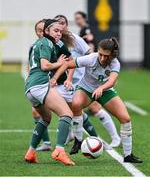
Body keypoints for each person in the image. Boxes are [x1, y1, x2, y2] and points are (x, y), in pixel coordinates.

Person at [50, 37, 143, 163]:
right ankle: (78, 140)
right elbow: (67, 64)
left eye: (106, 56)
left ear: (112, 55)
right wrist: (55, 78)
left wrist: (101, 88)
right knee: (76, 104)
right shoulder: (91, 58)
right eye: (101, 54)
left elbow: (111, 81)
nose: (103, 58)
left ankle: (128, 155)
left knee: (125, 118)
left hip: (105, 90)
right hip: (86, 88)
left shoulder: (115, 63)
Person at [54, 15, 120, 153]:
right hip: (67, 82)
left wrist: (98, 73)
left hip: (82, 80)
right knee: (71, 109)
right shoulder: (56, 41)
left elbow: (91, 53)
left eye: (62, 23)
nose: (60, 27)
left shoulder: (75, 39)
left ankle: (114, 138)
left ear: (66, 25)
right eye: (57, 24)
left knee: (94, 108)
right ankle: (74, 135)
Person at [24, 19, 75, 165]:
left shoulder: (35, 44)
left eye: (60, 31)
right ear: (47, 32)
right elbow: (45, 65)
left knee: (46, 118)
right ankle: (59, 151)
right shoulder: (46, 42)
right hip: (40, 85)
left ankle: (31, 152)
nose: (59, 34)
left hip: (30, 87)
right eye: (56, 31)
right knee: (67, 114)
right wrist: (59, 62)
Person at [31, 19, 53, 151]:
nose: (41, 33)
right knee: (37, 113)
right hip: (41, 83)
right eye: (38, 31)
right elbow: (32, 64)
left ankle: (94, 138)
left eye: (43, 30)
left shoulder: (52, 43)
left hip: (56, 82)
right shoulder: (36, 45)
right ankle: (46, 143)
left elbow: (66, 61)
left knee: (72, 110)